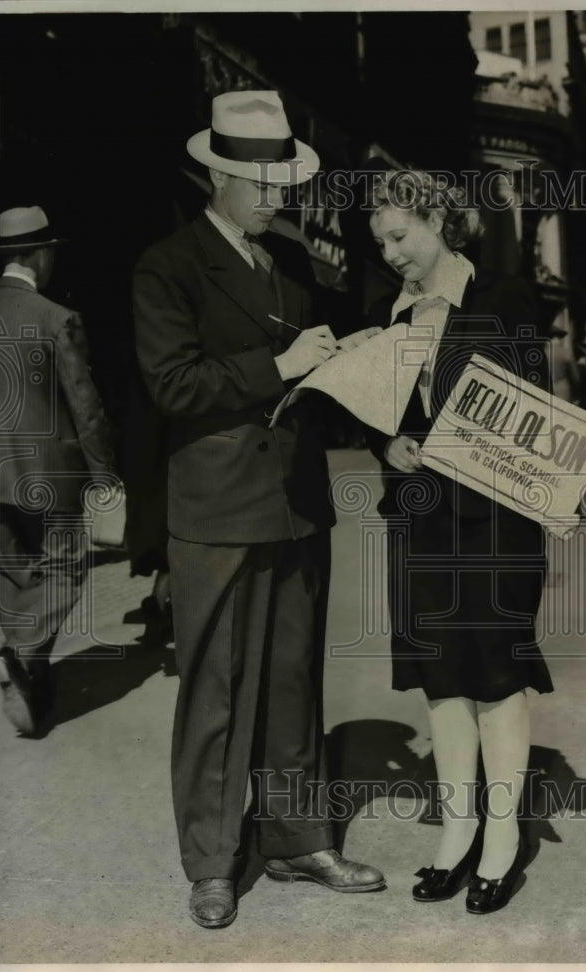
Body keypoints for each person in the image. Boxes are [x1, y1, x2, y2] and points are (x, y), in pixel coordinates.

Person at [132, 90, 384, 929]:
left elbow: (302, 379)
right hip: (217, 511)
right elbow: (172, 386)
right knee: (215, 689)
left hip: (295, 506)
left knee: (290, 682)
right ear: (217, 175)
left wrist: (348, 369)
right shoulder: (167, 266)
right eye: (260, 177)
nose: (278, 192)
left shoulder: (292, 269)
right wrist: (279, 365)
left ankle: (296, 839)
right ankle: (211, 860)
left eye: (283, 175)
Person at [363, 170, 553, 915]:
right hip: (421, 520)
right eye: (380, 242)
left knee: (496, 676)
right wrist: (389, 445)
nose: (390, 254)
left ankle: (502, 840)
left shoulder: (505, 299)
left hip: (498, 521)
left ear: (439, 221)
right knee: (442, 678)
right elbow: (375, 408)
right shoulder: (388, 314)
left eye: (400, 236)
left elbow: (534, 409)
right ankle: (458, 831)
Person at [0, 205, 116, 736]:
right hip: (51, 477)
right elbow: (85, 406)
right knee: (65, 574)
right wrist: (105, 473)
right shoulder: (56, 318)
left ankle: (31, 694)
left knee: (16, 581)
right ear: (43, 255)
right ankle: (12, 653)